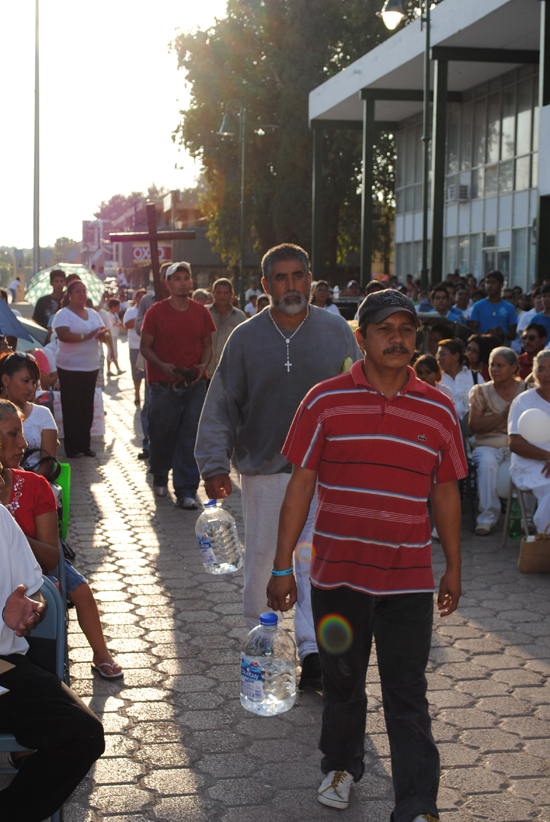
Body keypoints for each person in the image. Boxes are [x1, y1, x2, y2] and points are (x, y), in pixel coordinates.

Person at [267, 288, 466, 817]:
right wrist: (282, 565)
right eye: (385, 329)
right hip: (338, 577)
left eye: (406, 329)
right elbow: (301, 485)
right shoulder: (324, 400)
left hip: (409, 582)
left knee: (407, 692)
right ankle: (339, 765)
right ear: (361, 338)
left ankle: (418, 802)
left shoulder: (440, 409)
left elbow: (445, 491)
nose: (397, 338)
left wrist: (454, 566)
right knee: (343, 682)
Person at [195, 243, 361, 691]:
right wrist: (213, 463)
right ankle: (263, 640)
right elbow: (221, 405)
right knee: (267, 560)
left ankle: (312, 651)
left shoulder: (337, 331)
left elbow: (360, 392)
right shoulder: (245, 338)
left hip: (326, 472)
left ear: (310, 278)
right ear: (266, 285)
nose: (291, 286)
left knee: (313, 561)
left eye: (298, 275)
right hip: (266, 470)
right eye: (281, 279)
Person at [0, 399, 123, 680]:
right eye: (12, 434)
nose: (22, 443)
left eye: (21, 433)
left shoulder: (34, 485)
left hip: (33, 576)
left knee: (72, 588)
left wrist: (10, 530)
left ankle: (100, 652)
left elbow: (51, 557)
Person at [140, 261, 215, 508]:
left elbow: (207, 346)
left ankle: (186, 490)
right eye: (177, 278)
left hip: (194, 385)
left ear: (191, 282)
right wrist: (162, 366)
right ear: (168, 283)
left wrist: (203, 367)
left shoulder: (201, 312)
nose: (183, 282)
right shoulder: (156, 312)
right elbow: (145, 347)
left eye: (186, 278)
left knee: (190, 438)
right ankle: (160, 472)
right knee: (162, 434)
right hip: (163, 386)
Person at [51, 280, 111, 458]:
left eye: (84, 291)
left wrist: (103, 335)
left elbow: (104, 333)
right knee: (71, 407)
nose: (82, 295)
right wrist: (87, 336)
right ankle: (72, 447)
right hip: (69, 367)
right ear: (69, 294)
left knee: (87, 407)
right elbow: (63, 335)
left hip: (90, 366)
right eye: (78, 292)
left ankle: (85, 445)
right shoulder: (63, 314)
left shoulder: (93, 313)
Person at [469, 347, 525, 535]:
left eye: (500, 365)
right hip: (487, 444)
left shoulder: (525, 391)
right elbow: (474, 425)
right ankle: (486, 518)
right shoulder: (481, 391)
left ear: (514, 368)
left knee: (529, 462)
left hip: (517, 444)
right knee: (487, 463)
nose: (495, 369)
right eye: (492, 365)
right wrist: (502, 415)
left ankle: (527, 519)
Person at [509, 350, 550, 533]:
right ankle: (545, 540)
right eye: (541, 369)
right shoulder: (524, 401)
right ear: (534, 372)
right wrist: (548, 456)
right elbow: (515, 443)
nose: (546, 374)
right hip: (530, 464)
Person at [0, 352, 58, 476]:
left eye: (34, 383)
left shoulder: (43, 414)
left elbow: (49, 462)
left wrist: (28, 483)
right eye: (25, 381)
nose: (31, 388)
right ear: (5, 379)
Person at [135, 267, 171, 461]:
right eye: (164, 276)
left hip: (175, 362)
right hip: (152, 360)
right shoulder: (147, 300)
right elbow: (137, 326)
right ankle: (148, 444)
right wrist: (155, 326)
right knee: (149, 405)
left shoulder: (183, 303)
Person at [437, 338, 484, 420]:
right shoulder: (437, 379)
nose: (438, 358)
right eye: (437, 355)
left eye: (442, 354)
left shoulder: (474, 377)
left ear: (456, 356)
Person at [207, 278, 246, 375]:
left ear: (232, 294)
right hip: (205, 373)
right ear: (213, 293)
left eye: (226, 293)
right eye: (219, 292)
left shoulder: (240, 316)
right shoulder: (204, 313)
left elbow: (244, 345)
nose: (222, 296)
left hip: (230, 373)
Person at [469, 270, 517, 341]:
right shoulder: (478, 306)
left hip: (502, 347)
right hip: (482, 346)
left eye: (493, 282)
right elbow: (472, 331)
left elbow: (513, 334)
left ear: (501, 285)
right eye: (487, 282)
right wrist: (487, 335)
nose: (489, 285)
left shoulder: (510, 307)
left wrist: (501, 334)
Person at [123, 288, 147, 405]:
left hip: (148, 346)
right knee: (136, 372)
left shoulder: (151, 310)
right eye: (139, 297)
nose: (141, 299)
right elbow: (127, 324)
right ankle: (137, 394)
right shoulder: (130, 311)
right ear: (135, 299)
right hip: (134, 345)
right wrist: (140, 315)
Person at [104, 298, 125, 377]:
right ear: (113, 307)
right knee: (111, 352)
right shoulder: (108, 315)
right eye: (118, 306)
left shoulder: (115, 314)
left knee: (114, 352)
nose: (119, 308)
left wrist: (127, 329)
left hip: (115, 336)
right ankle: (111, 370)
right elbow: (117, 324)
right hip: (111, 336)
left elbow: (120, 324)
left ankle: (116, 369)